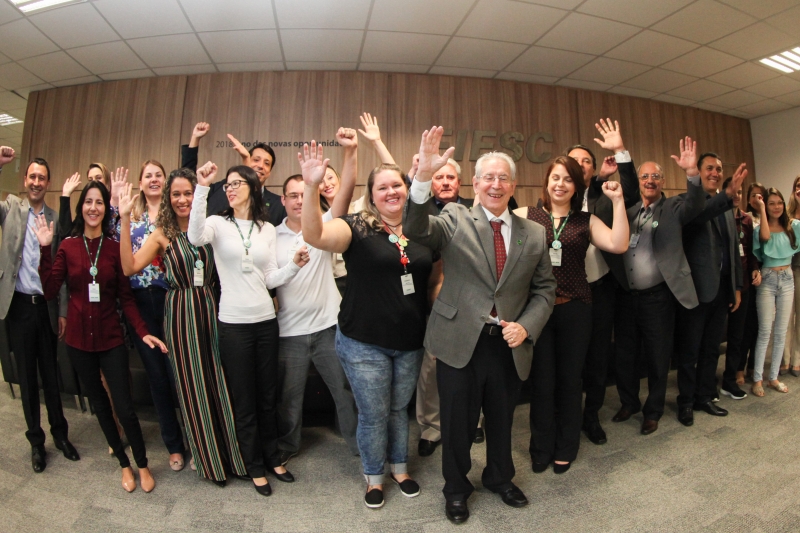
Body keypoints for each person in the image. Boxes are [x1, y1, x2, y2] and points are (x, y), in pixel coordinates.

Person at [404, 128, 556, 524]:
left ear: (513, 184)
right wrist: (422, 177)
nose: (495, 184)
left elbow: (545, 291)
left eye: (503, 177)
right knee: (457, 422)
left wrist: (526, 327)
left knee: (503, 419)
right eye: (488, 177)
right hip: (459, 341)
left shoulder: (534, 233)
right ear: (476, 184)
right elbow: (417, 229)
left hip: (508, 342)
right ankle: (456, 488)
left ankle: (499, 477)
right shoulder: (454, 216)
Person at [301, 141, 443, 510]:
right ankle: (373, 476)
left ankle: (400, 468)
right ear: (372, 196)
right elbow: (315, 236)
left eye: (397, 185)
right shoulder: (357, 226)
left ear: (408, 190)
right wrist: (312, 187)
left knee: (399, 410)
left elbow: (433, 280)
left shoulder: (423, 230)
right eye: (382, 187)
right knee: (375, 412)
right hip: (364, 341)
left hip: (410, 339)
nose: (391, 192)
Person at [118, 169, 248, 487]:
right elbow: (129, 267)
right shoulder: (161, 233)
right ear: (168, 198)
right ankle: (207, 459)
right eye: (175, 194)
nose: (182, 200)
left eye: (187, 193)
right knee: (191, 387)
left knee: (217, 380)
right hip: (179, 313)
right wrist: (123, 219)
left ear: (196, 194)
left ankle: (232, 454)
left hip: (211, 307)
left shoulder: (209, 226)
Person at [34, 180, 166, 493]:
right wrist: (44, 247)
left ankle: (143, 464)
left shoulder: (112, 248)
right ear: (81, 207)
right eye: (88, 202)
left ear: (106, 209)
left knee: (124, 407)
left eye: (99, 203)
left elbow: (126, 298)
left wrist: (144, 332)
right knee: (100, 407)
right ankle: (123, 464)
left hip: (111, 340)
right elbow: (51, 289)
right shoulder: (67, 246)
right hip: (78, 344)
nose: (93, 208)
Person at [189, 161, 309, 497]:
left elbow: (270, 277)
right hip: (234, 325)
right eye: (227, 184)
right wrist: (202, 188)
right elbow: (194, 236)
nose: (230, 188)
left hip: (266, 324)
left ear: (253, 188)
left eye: (237, 183)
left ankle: (273, 458)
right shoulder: (216, 223)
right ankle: (253, 465)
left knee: (267, 396)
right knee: (244, 400)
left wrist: (294, 267)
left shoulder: (266, 229)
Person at [516, 154, 628, 473]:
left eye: (567, 179)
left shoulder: (584, 220)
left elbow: (619, 244)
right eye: (555, 177)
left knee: (569, 382)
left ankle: (566, 446)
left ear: (576, 185)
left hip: (576, 309)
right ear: (546, 182)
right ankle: (540, 447)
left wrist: (618, 202)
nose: (560, 184)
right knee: (542, 383)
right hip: (536, 312)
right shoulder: (527, 215)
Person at [607, 138, 723, 434]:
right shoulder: (629, 209)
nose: (649, 181)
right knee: (625, 355)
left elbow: (697, 204)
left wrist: (692, 173)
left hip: (657, 298)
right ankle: (629, 402)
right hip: (625, 296)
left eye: (655, 176)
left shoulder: (674, 207)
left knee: (658, 357)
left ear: (662, 182)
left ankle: (653, 411)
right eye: (645, 176)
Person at [275, 129, 359, 466]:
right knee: (289, 400)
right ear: (282, 200)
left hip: (328, 328)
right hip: (290, 333)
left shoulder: (323, 224)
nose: (298, 200)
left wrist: (351, 152)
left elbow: (347, 190)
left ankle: (359, 447)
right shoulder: (271, 235)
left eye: (302, 193)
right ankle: (287, 447)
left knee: (345, 393)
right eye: (291, 195)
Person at [0, 149, 78, 473]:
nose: (35, 182)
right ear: (24, 180)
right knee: (28, 380)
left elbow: (59, 270)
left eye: (41, 178)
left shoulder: (54, 218)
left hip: (45, 307)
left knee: (51, 374)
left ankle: (61, 434)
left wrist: (61, 309)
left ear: (48, 184)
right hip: (17, 307)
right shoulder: (11, 208)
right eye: (31, 177)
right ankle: (36, 442)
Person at [566, 118, 639, 446]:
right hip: (566, 293)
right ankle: (565, 415)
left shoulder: (605, 196)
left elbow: (633, 192)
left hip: (601, 290)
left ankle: (591, 416)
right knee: (570, 358)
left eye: (586, 160)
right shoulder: (551, 202)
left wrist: (620, 150)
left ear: (594, 168)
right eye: (574, 160)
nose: (580, 164)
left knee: (597, 359)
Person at [110, 160, 186, 471]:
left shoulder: (175, 218)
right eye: (148, 176)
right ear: (140, 183)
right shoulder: (129, 217)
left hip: (173, 301)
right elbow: (120, 260)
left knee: (180, 373)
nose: (153, 180)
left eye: (158, 175)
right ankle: (174, 445)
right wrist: (118, 209)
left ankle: (196, 438)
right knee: (157, 376)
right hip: (140, 304)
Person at [675, 152, 745, 425]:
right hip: (696, 292)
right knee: (690, 351)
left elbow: (733, 249)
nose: (715, 172)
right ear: (698, 172)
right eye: (709, 168)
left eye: (718, 168)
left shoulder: (727, 206)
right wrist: (726, 195)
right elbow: (699, 216)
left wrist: (736, 286)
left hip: (721, 291)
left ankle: (705, 396)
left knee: (711, 349)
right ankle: (686, 402)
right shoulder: (686, 203)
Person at [751, 188, 800, 396]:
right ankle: (757, 379)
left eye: (779, 202)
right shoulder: (759, 228)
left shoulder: (794, 226)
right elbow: (764, 238)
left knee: (781, 332)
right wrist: (762, 209)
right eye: (771, 203)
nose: (777, 207)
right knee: (765, 331)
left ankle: (773, 378)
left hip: (788, 278)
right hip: (768, 279)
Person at [720, 177, 761, 399]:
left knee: (737, 336)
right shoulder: (717, 216)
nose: (736, 195)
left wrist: (756, 269)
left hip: (743, 285)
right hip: (721, 286)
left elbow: (751, 252)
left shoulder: (746, 220)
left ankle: (730, 378)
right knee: (714, 337)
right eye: (732, 191)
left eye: (739, 192)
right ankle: (706, 381)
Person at [782, 175, 800, 377]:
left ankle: (797, 359)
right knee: (786, 317)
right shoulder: (786, 214)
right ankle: (784, 359)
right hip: (787, 269)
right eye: (798, 185)